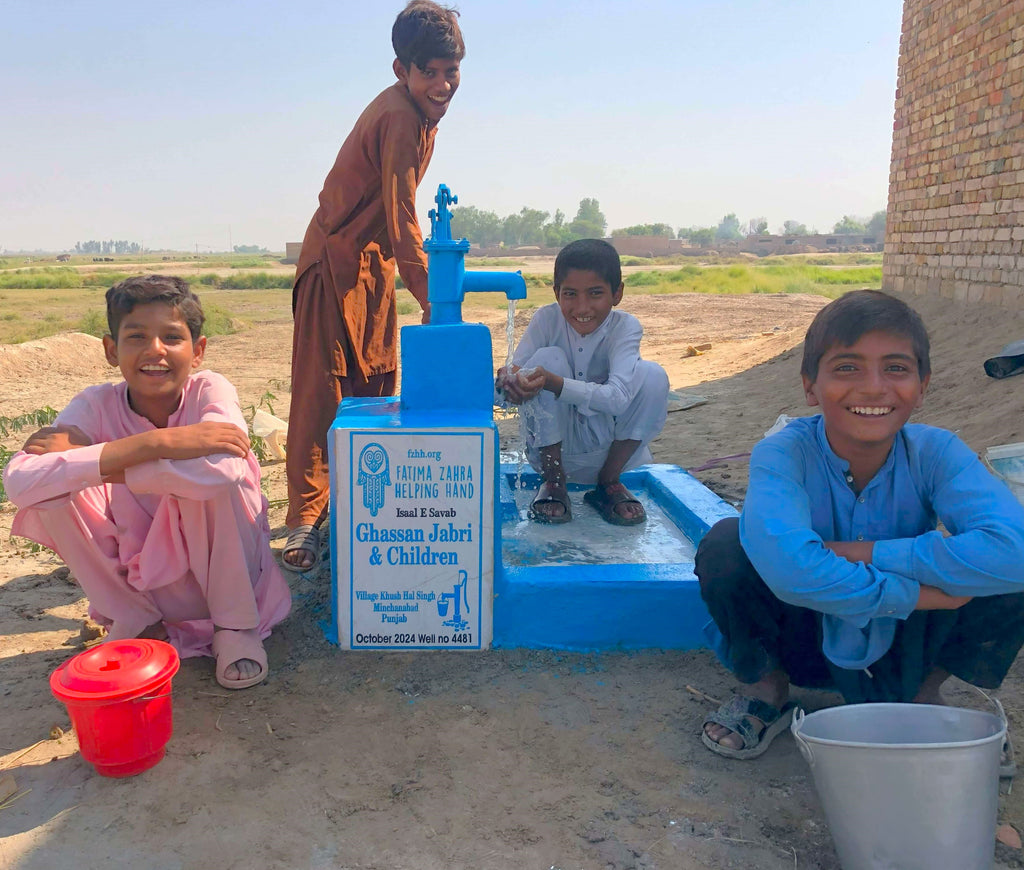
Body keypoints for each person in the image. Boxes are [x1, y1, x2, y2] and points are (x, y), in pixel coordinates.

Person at [696, 289, 1024, 759]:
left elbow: (1017, 551)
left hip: (905, 637)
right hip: (805, 631)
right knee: (727, 545)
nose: (873, 388)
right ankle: (766, 690)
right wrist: (919, 593)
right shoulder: (783, 452)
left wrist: (862, 552)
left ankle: (922, 694)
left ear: (923, 383)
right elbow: (790, 572)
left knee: (1005, 579)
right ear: (811, 386)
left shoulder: (937, 452)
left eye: (896, 368)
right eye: (847, 367)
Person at [2, 276, 291, 690]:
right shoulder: (95, 403)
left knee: (208, 481)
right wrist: (160, 441)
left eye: (172, 337)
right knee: (51, 493)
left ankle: (234, 628)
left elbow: (223, 469)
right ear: (111, 350)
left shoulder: (210, 389)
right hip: (142, 572)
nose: (155, 350)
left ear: (198, 351)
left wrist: (107, 464)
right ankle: (136, 617)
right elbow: (21, 482)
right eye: (137, 336)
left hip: (223, 572)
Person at [284, 0, 465, 571]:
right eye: (428, 72)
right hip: (334, 264)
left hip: (371, 266)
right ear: (401, 71)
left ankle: (359, 511)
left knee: (377, 385)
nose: (441, 84)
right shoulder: (401, 117)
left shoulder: (421, 116)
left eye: (450, 71)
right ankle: (306, 521)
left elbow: (395, 227)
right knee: (322, 393)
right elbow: (402, 214)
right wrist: (437, 302)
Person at [495, 239, 669, 525]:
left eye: (595, 293)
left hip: (608, 453)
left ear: (617, 293)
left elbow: (618, 398)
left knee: (653, 375)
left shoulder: (625, 327)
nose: (582, 306)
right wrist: (510, 383)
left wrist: (552, 382)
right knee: (547, 358)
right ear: (556, 293)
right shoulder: (546, 319)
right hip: (550, 455)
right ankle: (554, 483)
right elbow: (512, 374)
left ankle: (608, 484)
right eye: (570, 294)